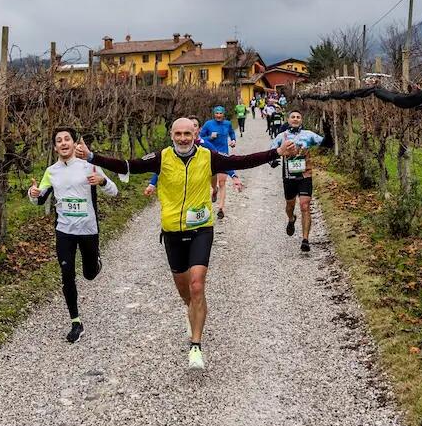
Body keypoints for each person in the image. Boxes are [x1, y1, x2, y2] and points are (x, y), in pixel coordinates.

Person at [77, 119, 298, 369]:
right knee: (186, 294)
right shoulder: (161, 157)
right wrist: (92, 156)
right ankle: (192, 314)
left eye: (187, 134)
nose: (183, 138)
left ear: (195, 134)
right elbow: (129, 165)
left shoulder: (208, 156)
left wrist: (276, 152)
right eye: (178, 134)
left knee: (196, 285)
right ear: (171, 135)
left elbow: (241, 161)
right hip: (172, 231)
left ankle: (196, 346)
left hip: (201, 229)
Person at [28, 127, 118, 342]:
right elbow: (40, 199)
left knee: (89, 274)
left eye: (67, 139)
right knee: (66, 274)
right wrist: (32, 194)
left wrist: (103, 182)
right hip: (64, 230)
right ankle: (75, 322)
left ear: (74, 142)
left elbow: (113, 190)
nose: (63, 143)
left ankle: (95, 262)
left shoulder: (89, 165)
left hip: (88, 229)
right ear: (55, 147)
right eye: (59, 140)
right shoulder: (51, 171)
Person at [269, 111, 328, 253]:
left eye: (298, 117)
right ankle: (291, 219)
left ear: (301, 120)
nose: (295, 119)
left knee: (305, 205)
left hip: (305, 175)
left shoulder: (308, 135)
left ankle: (305, 240)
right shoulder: (281, 137)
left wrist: (328, 131)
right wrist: (272, 161)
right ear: (288, 120)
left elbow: (325, 143)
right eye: (293, 117)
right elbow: (271, 151)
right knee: (290, 205)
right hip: (289, 177)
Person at [198, 106, 238, 218]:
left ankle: (221, 208)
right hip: (210, 154)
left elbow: (232, 133)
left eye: (220, 113)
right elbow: (200, 138)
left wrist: (233, 140)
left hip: (223, 154)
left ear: (224, 114)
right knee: (212, 179)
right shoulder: (208, 124)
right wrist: (210, 137)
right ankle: (214, 190)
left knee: (222, 182)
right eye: (217, 113)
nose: (219, 115)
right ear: (214, 114)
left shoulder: (227, 124)